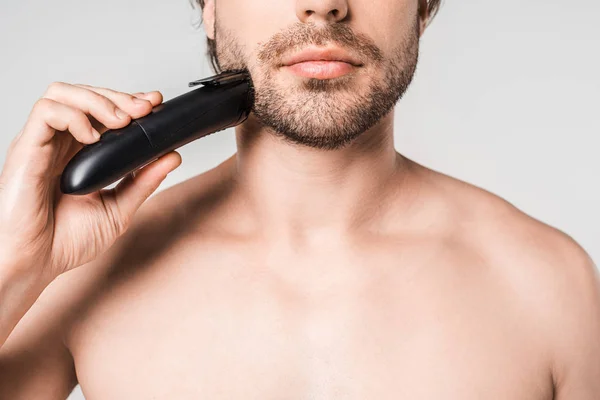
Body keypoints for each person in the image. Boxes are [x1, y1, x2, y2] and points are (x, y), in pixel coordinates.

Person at [0, 0, 599, 398]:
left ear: (425, 7)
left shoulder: (550, 286)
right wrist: (13, 264)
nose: (323, 1)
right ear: (209, 7)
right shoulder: (79, 274)